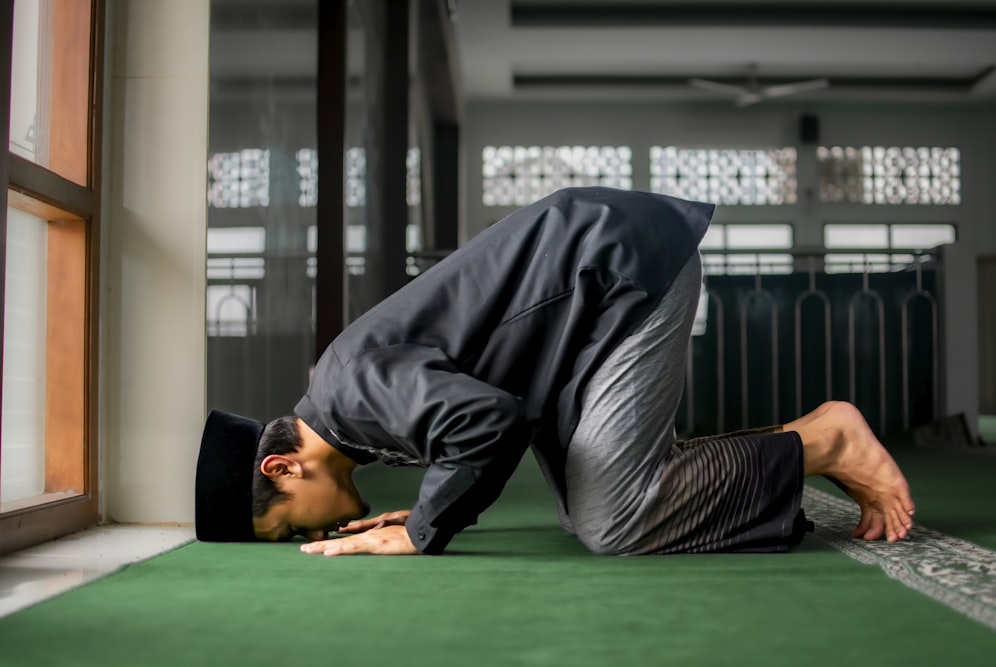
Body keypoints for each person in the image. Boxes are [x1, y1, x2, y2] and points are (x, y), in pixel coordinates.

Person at [195, 186, 915, 557]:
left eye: (289, 529)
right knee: (584, 511)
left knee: (613, 520)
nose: (311, 538)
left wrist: (424, 529)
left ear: (286, 468)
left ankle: (827, 442)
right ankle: (803, 445)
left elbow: (488, 421)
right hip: (579, 312)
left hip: (618, 270)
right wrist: (423, 513)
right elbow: (487, 409)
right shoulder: (345, 399)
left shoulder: (351, 390)